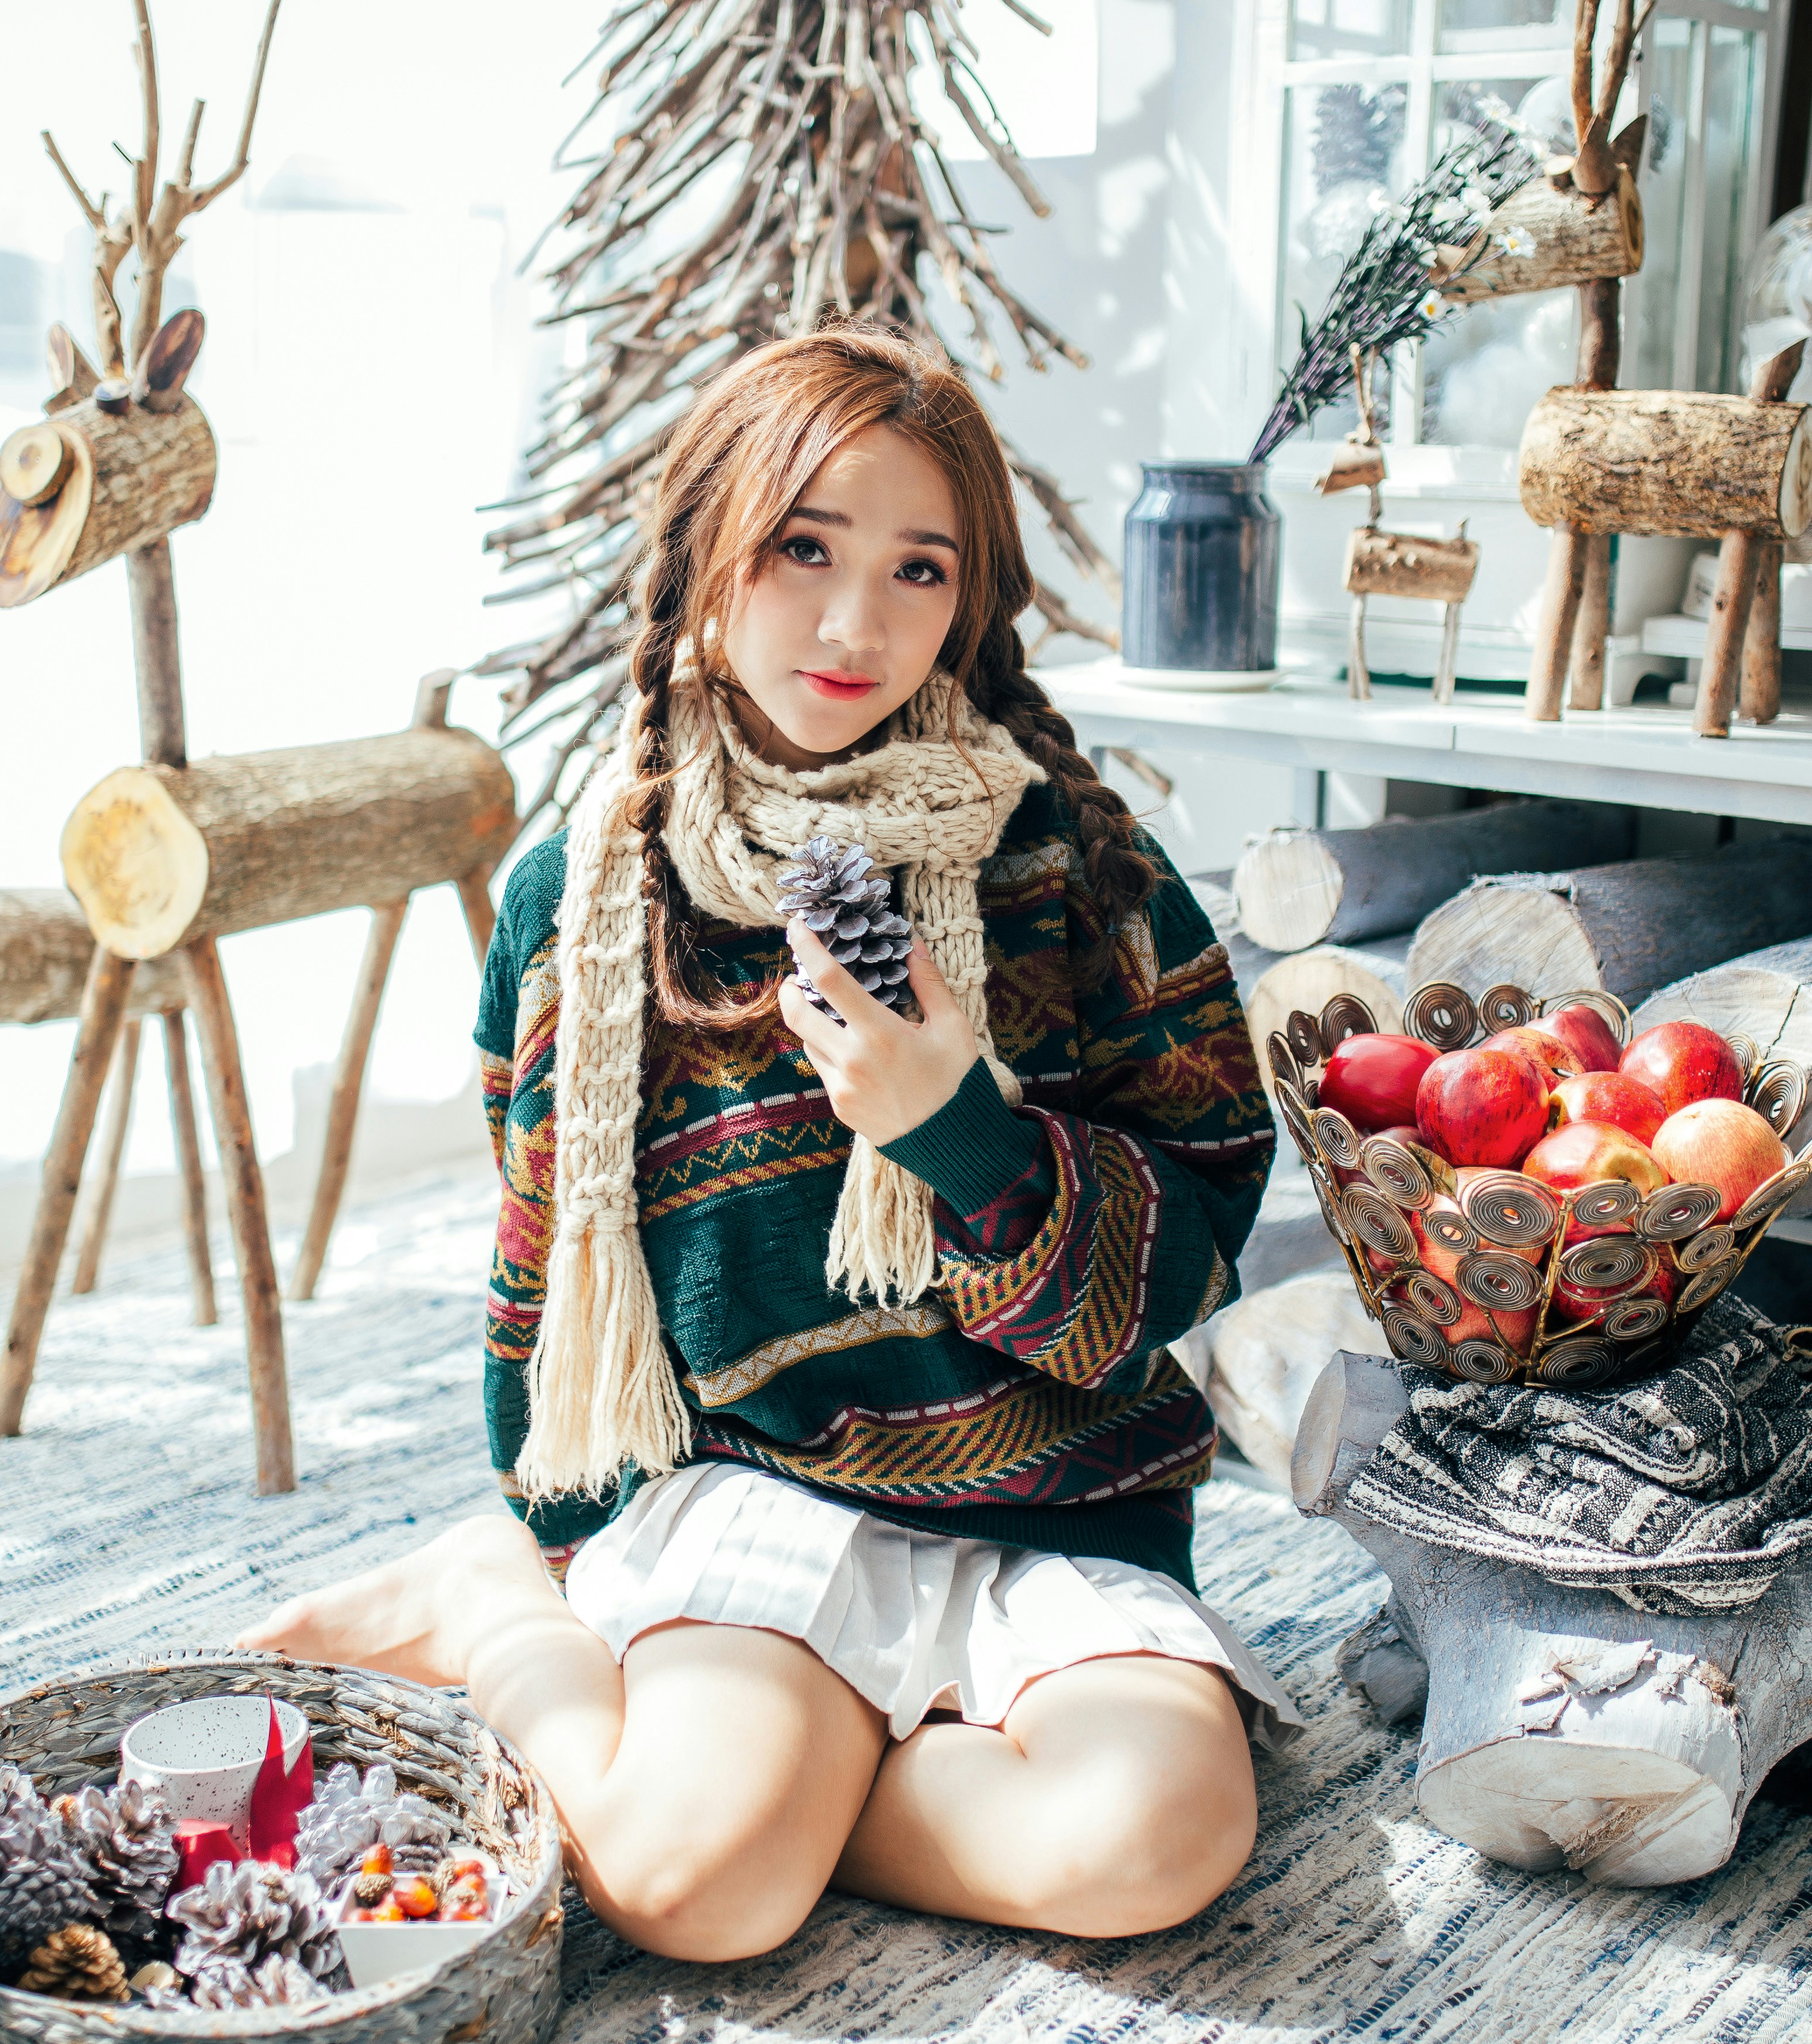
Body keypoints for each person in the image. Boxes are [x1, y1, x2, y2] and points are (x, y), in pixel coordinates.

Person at [239, 323, 1286, 1961]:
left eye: (920, 569)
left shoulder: (1075, 868)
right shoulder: (584, 897)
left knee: (1152, 1842)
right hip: (762, 1485)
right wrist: (557, 1533)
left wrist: (962, 1134)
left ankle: (797, 1772)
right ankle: (493, 1607)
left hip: (1051, 1498)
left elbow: (1199, 1248)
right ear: (708, 555)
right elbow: (544, 1266)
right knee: (694, 1895)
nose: (859, 623)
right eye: (805, 547)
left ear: (969, 599)